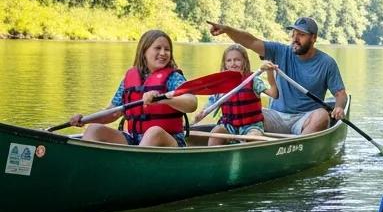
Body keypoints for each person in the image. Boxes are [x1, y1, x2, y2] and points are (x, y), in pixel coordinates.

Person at [207, 17, 347, 134]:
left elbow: (340, 94)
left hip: (305, 118)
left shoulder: (327, 63)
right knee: (250, 111)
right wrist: (227, 30)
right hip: (276, 117)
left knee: (322, 116)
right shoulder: (280, 51)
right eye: (294, 33)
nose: (295, 38)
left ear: (314, 38)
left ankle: (298, 147)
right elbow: (251, 42)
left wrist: (339, 107)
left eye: (301, 35)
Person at [68, 29, 196, 147]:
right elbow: (112, 112)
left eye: (167, 49)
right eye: (157, 48)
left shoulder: (173, 78)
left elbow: (192, 103)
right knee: (94, 129)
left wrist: (163, 99)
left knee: (153, 132)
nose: (163, 53)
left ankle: (135, 167)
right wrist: (85, 119)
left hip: (169, 141)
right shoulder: (129, 79)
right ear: (144, 51)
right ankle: (87, 167)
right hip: (134, 139)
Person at [206, 45, 279, 141]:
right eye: (229, 60)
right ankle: (213, 155)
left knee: (254, 136)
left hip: (252, 126)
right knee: (216, 132)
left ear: (245, 61)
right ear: (224, 64)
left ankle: (248, 152)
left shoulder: (254, 80)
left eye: (237, 60)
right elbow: (210, 104)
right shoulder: (221, 84)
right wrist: (200, 114)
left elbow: (274, 94)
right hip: (229, 125)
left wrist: (269, 73)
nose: (233, 63)